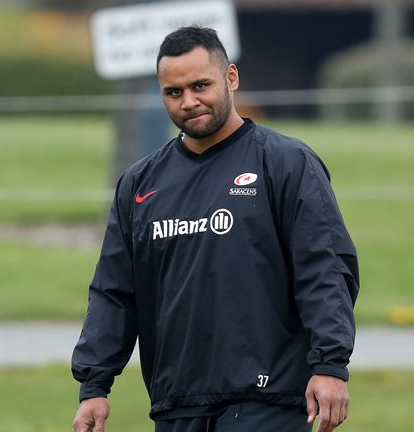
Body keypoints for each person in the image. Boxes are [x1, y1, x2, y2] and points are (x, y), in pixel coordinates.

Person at [72, 26, 359, 432]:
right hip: (177, 404)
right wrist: (94, 386)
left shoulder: (286, 163)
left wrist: (330, 365)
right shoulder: (139, 183)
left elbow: (325, 270)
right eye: (174, 92)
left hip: (266, 401)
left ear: (231, 78)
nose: (189, 101)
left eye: (200, 85)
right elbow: (115, 292)